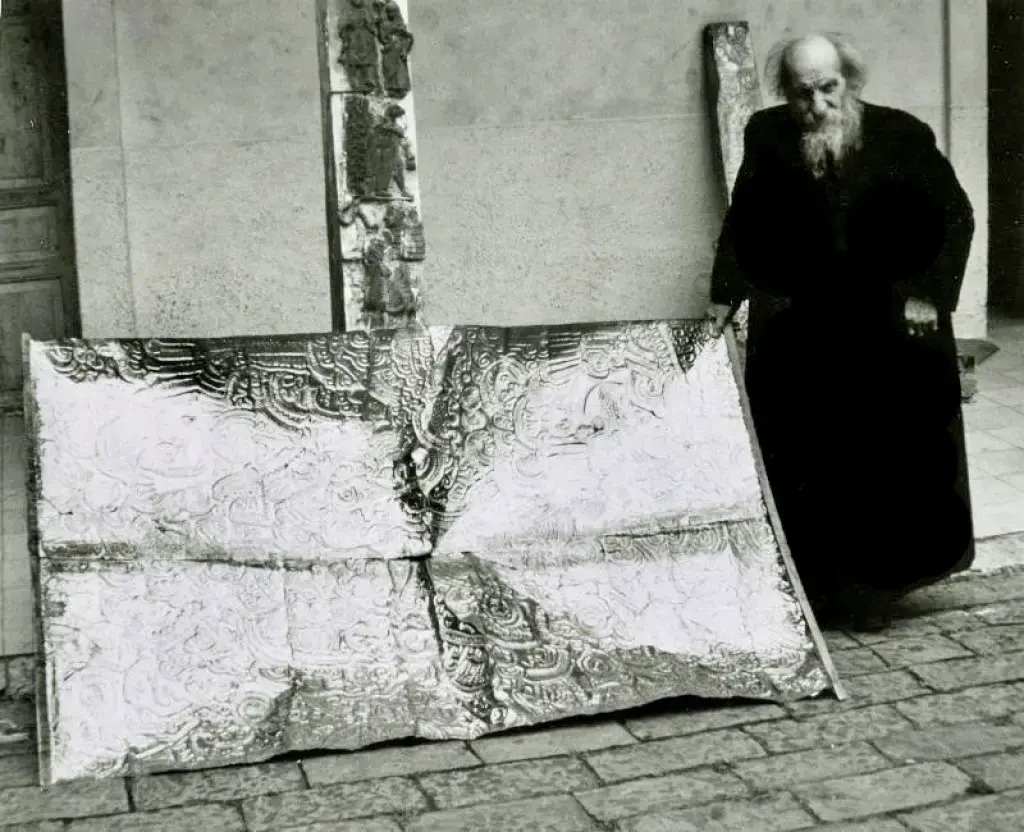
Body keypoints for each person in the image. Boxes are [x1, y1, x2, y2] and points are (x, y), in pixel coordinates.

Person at [707, 33, 975, 628]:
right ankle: (822, 586)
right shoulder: (768, 134)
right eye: (802, 93)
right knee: (808, 455)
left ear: (849, 82)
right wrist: (724, 298)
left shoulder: (901, 134)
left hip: (884, 322)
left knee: (883, 456)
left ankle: (880, 587)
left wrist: (927, 295)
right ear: (787, 93)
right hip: (806, 325)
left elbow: (953, 215)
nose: (817, 106)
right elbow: (745, 218)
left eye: (828, 88)